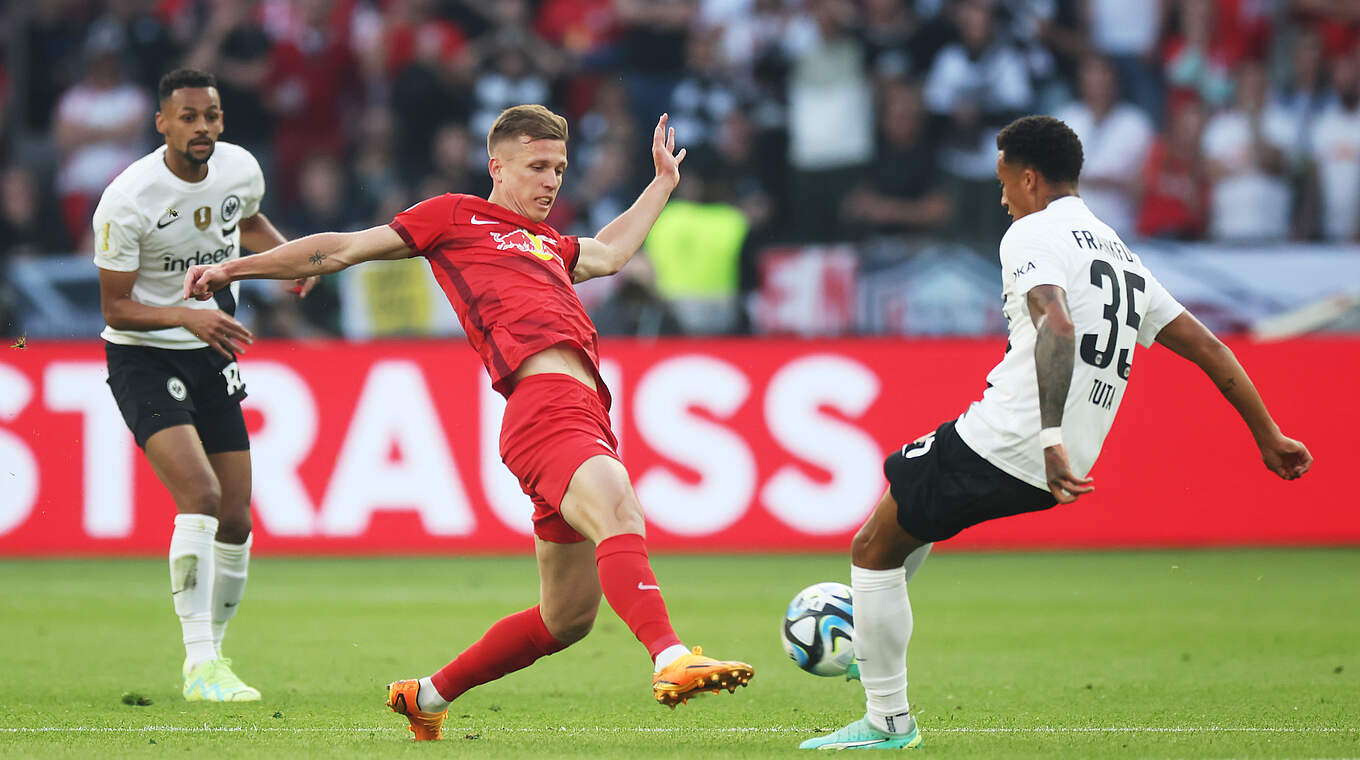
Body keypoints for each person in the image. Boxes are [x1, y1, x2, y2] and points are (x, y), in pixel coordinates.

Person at [184, 105, 754, 740]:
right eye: (537, 166)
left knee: (566, 619)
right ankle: (672, 656)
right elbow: (342, 248)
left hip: (583, 410)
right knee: (620, 510)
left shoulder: (549, 245)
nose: (552, 181)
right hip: (546, 408)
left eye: (560, 169)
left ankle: (426, 696)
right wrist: (234, 267)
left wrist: (662, 184)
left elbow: (614, 253)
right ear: (497, 166)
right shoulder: (456, 215)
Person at [800, 115, 1314, 751]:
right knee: (903, 511)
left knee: (872, 548)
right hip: (1064, 448)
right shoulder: (1116, 250)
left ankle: (887, 721)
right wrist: (1268, 434)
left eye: (1005, 182)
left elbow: (1058, 324)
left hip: (1018, 438)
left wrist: (1047, 436)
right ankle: (869, 635)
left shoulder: (1031, 234)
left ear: (1030, 177)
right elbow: (1206, 344)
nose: (1002, 196)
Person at [93, 68, 316, 702]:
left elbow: (243, 222)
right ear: (161, 122)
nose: (202, 128)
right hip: (143, 355)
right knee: (200, 493)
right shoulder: (128, 199)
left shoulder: (240, 168)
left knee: (238, 518)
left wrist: (289, 260)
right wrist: (188, 314)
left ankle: (213, 658)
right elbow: (116, 308)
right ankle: (198, 665)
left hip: (209, 349)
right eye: (188, 117)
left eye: (211, 116)